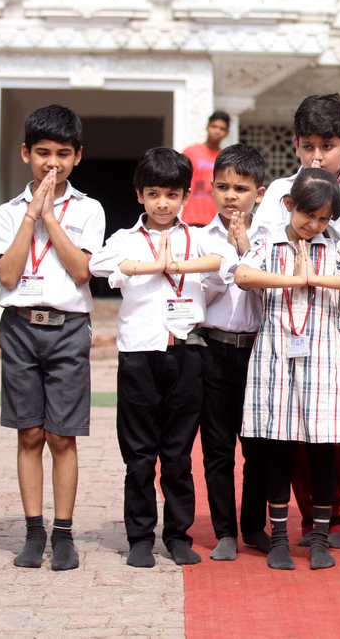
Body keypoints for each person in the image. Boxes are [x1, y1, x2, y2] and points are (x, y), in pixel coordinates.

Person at [257, 93, 340, 548]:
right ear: (295, 143)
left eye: (327, 146)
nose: (317, 155)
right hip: (289, 324)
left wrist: (328, 208)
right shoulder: (277, 192)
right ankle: (311, 518)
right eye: (308, 145)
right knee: (294, 426)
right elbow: (260, 244)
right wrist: (300, 208)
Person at [89, 148, 228, 567]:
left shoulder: (199, 235)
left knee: (179, 456)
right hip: (139, 356)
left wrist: (179, 264)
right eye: (153, 194)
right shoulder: (124, 239)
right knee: (139, 456)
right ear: (139, 195)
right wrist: (152, 266)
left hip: (187, 354)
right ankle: (139, 537)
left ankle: (178, 535)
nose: (162, 203)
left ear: (185, 196)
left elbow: (225, 264)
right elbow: (98, 265)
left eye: (171, 194)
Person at [233, 169, 340, 570]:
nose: (313, 225)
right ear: (288, 205)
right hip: (276, 358)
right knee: (279, 449)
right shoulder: (267, 242)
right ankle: (279, 537)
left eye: (323, 219)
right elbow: (242, 275)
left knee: (322, 453)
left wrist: (316, 277)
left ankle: (319, 539)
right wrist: (292, 278)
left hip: (324, 360)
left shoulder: (334, 250)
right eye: (307, 215)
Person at [0, 105, 106, 571]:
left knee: (62, 436)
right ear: (25, 153)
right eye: (42, 153)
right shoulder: (5, 213)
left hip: (67, 329)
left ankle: (63, 533)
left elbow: (82, 272)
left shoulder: (89, 209)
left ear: (77, 156)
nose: (51, 163)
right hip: (19, 327)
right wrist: (28, 218)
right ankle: (33, 530)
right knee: (29, 433)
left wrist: (50, 218)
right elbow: (7, 275)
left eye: (62, 153)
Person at [198, 143, 273, 561]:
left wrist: (245, 252)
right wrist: (223, 261)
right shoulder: (199, 238)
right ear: (211, 188)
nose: (231, 196)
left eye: (241, 188)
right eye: (223, 186)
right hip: (214, 350)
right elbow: (195, 298)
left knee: (258, 446)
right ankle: (224, 530)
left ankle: (253, 527)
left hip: (259, 351)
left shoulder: (272, 239)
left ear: (258, 193)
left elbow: (271, 294)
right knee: (217, 446)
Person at [181, 111, 230, 226]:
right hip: (192, 218)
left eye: (222, 129)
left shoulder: (226, 158)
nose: (217, 131)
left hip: (217, 221)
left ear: (226, 133)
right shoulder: (190, 152)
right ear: (207, 127)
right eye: (214, 126)